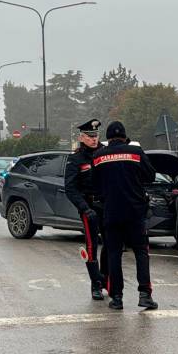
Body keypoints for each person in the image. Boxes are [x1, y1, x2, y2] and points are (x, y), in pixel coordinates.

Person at [91, 121, 158, 310]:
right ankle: (145, 295)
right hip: (135, 213)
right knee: (141, 252)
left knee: (114, 254)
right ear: (125, 137)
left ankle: (117, 298)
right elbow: (150, 176)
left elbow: (94, 186)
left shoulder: (98, 156)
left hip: (111, 212)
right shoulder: (136, 153)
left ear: (108, 138)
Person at [64, 119, 107, 300]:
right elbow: (70, 188)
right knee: (91, 246)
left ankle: (106, 279)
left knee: (111, 244)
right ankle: (96, 284)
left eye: (95, 135)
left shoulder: (104, 153)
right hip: (88, 207)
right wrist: (84, 208)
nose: (94, 139)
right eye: (90, 136)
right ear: (82, 137)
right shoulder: (75, 159)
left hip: (106, 205)